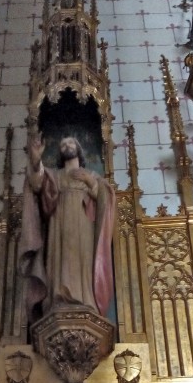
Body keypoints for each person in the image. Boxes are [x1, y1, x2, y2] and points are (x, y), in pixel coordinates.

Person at [20, 134, 116, 322]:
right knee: (59, 260)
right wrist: (36, 159)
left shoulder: (91, 176)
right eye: (63, 144)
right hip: (59, 227)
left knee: (83, 260)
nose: (66, 146)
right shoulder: (55, 175)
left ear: (78, 149)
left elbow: (107, 201)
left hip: (84, 228)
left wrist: (92, 183)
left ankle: (86, 301)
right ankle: (58, 300)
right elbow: (37, 182)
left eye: (71, 142)